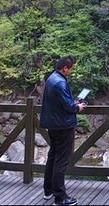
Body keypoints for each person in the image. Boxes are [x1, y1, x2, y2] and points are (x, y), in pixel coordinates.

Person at [40, 57, 85, 206]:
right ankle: (60, 198)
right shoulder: (60, 82)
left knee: (53, 157)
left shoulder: (51, 78)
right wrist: (77, 107)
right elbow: (68, 106)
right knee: (61, 161)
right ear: (65, 68)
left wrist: (73, 104)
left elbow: (59, 102)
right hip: (63, 126)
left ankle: (48, 190)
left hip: (53, 124)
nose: (71, 72)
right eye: (71, 69)